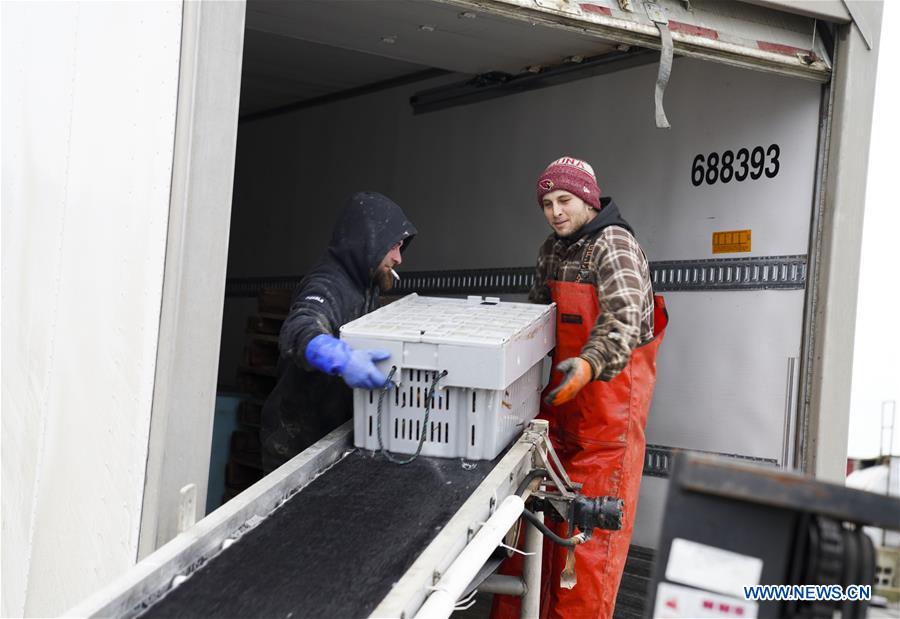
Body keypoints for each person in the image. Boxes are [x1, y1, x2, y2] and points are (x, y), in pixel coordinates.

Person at [493, 156, 668, 618]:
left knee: (585, 558)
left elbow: (626, 319)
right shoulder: (552, 249)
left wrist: (588, 367)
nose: (555, 211)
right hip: (555, 424)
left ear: (589, 198)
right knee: (527, 544)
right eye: (547, 203)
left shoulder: (615, 246)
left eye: (564, 200)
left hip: (604, 435)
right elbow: (534, 324)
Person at [260, 191, 416, 473]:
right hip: (295, 445)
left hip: (328, 436)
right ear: (368, 240)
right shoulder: (328, 283)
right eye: (393, 246)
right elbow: (299, 327)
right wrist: (339, 357)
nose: (398, 258)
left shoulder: (364, 283)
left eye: (401, 246)